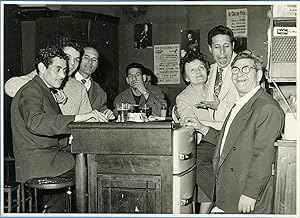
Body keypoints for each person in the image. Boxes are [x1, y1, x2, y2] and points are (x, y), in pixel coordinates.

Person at [184, 50, 284, 214]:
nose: (239, 74)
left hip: (246, 195)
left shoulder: (266, 107)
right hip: (231, 189)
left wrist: (250, 194)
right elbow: (229, 141)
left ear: (258, 75)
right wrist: (202, 128)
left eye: (246, 69)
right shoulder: (241, 103)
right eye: (235, 69)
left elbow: (263, 156)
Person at [11, 44, 105, 188]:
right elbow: (35, 122)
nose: (63, 75)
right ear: (42, 68)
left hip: (46, 157)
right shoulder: (31, 90)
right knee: (92, 168)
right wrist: (78, 118)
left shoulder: (44, 90)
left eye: (65, 70)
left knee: (87, 163)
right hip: (39, 162)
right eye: (58, 69)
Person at [4, 37, 94, 116]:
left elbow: (86, 121)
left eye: (77, 60)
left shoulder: (79, 87)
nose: (72, 63)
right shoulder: (40, 74)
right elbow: (9, 88)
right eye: (67, 57)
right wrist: (49, 89)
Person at [176, 50, 216, 214]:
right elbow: (191, 123)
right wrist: (215, 125)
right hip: (201, 143)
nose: (198, 72)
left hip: (220, 140)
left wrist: (205, 124)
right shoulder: (183, 97)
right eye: (192, 70)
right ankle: (216, 203)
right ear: (186, 77)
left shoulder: (216, 88)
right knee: (198, 164)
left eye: (201, 68)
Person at [196, 25, 239, 130]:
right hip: (212, 134)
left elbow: (251, 109)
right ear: (210, 48)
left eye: (226, 46)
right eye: (217, 47)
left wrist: (220, 106)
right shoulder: (209, 71)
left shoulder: (245, 70)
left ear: (233, 45)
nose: (222, 52)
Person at [75, 46, 114, 119]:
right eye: (86, 57)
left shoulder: (101, 92)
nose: (90, 62)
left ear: (97, 65)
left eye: (94, 59)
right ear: (78, 60)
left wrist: (107, 113)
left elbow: (102, 111)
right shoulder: (63, 84)